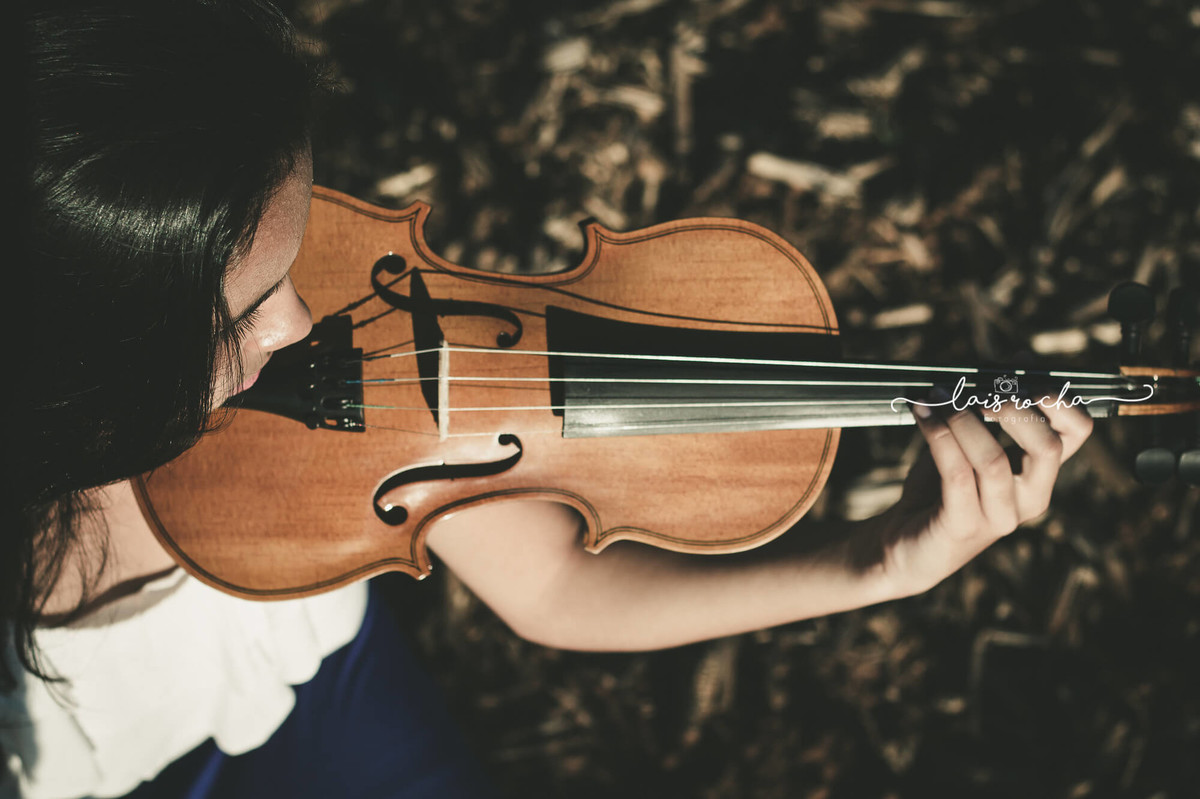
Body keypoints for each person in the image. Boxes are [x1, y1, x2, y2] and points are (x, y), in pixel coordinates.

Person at [4, 1, 1094, 797]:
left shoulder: (319, 327)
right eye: (236, 316)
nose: (303, 328)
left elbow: (559, 585)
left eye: (292, 269)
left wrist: (886, 564)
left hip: (324, 688)